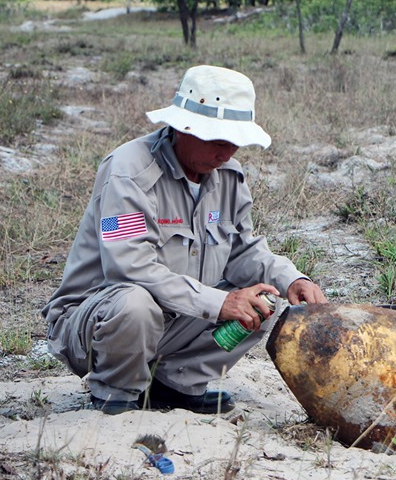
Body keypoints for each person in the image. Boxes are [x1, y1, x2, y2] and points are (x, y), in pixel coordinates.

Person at [42, 65, 327, 415]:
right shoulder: (128, 171)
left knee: (262, 300)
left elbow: (243, 249)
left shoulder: (228, 176)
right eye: (217, 140)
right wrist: (220, 303)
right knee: (135, 303)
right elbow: (129, 268)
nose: (227, 153)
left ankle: (175, 384)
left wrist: (291, 278)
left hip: (173, 317)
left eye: (234, 142)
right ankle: (116, 390)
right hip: (97, 323)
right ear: (181, 128)